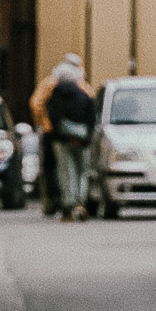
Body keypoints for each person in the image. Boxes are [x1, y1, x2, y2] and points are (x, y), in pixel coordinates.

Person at [31, 52, 97, 220]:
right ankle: (79, 203)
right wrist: (88, 133)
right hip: (81, 137)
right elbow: (92, 110)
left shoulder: (50, 84)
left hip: (55, 135)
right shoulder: (83, 87)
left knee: (56, 170)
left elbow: (36, 104)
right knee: (81, 171)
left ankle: (57, 203)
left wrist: (45, 124)